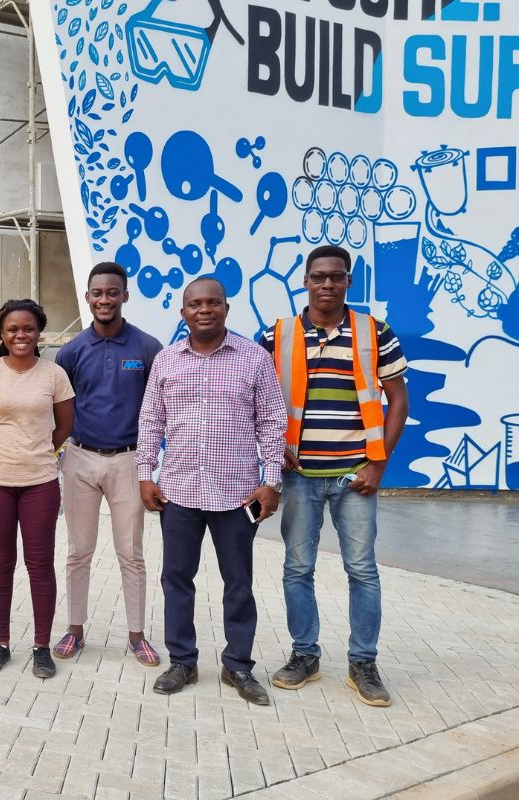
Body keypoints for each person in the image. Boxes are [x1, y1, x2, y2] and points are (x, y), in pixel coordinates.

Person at [260, 245, 409, 707]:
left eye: (337, 277)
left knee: (362, 570)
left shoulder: (374, 331)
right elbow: (255, 396)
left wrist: (378, 462)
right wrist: (270, 449)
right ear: (304, 281)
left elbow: (398, 399)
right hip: (300, 475)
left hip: (355, 477)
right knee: (297, 568)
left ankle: (363, 661)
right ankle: (305, 654)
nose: (327, 284)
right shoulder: (278, 334)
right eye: (319, 276)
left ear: (349, 282)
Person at [136, 277, 286, 706]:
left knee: (238, 582)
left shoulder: (255, 359)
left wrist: (270, 482)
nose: (205, 309)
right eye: (195, 303)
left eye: (213, 302)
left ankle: (238, 664)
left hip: (238, 496)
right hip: (179, 492)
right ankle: (182, 660)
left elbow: (272, 423)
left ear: (226, 307)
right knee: (176, 580)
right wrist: (146, 474)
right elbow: (150, 422)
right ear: (183, 311)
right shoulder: (166, 361)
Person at [52, 262, 163, 666]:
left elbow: (160, 409)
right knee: (78, 550)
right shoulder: (71, 351)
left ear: (125, 296)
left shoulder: (148, 348)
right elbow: (57, 408)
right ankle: (75, 629)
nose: (104, 299)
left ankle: (137, 635)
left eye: (112, 292)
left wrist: (151, 465)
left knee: (130, 552)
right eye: (97, 293)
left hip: (128, 461)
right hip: (80, 458)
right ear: (88, 297)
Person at [0, 299, 74, 679]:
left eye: (28, 328)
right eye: (12, 329)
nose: (20, 335)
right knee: (0, 564)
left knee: (40, 565)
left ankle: (42, 647)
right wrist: (5, 452)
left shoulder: (54, 374)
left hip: (40, 484)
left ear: (39, 333)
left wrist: (40, 450)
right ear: (1, 333)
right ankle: (0, 644)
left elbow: (65, 424)